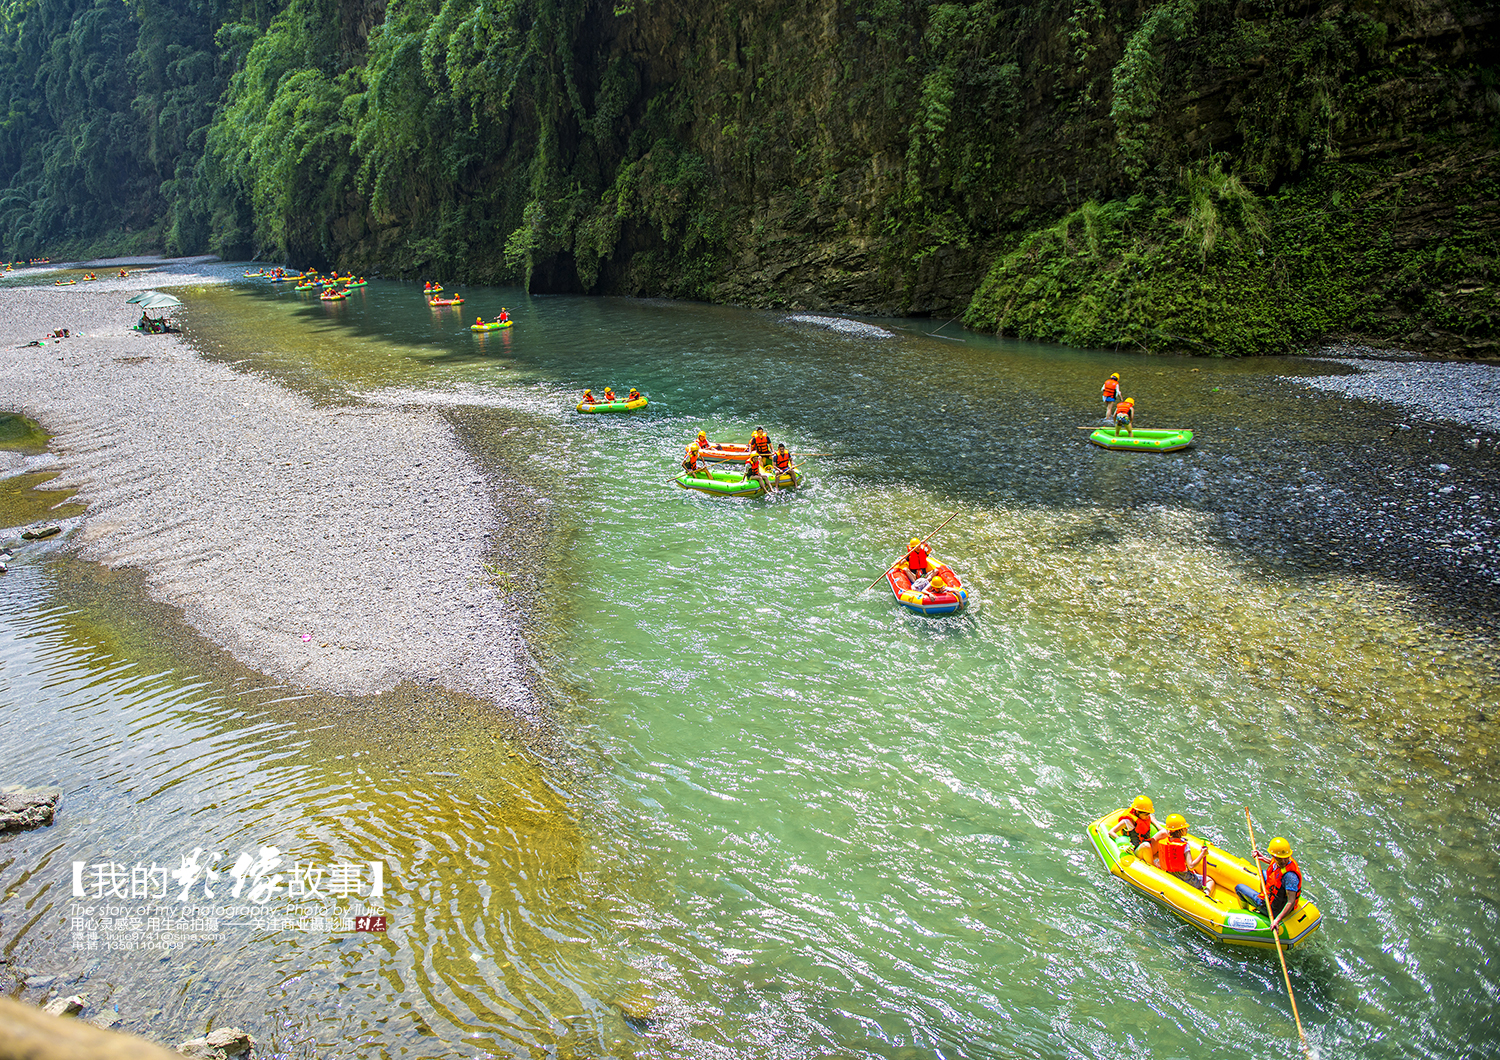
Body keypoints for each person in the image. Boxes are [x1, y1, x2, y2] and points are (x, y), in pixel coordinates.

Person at [1237, 836, 1303, 928]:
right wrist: (1262, 858)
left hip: (1274, 909)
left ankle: (1246, 911)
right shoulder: (1282, 861)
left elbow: (1291, 902)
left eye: (1285, 858)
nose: (1283, 861)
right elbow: (1274, 863)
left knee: (1239, 888)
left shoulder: (1290, 877)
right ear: (1273, 856)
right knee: (1264, 873)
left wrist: (1277, 920)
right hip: (1274, 898)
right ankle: (1264, 897)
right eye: (1280, 858)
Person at [1154, 814, 1209, 891]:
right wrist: (1202, 854)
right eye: (1184, 828)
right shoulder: (1184, 845)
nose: (1186, 829)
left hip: (1169, 874)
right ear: (1180, 830)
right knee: (1209, 880)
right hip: (1184, 877)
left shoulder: (1164, 842)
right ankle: (1206, 896)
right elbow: (1191, 866)